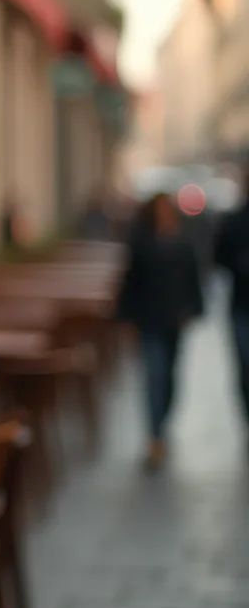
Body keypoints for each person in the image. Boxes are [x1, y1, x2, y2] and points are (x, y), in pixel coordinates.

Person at [116, 192, 204, 469]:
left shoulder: (182, 243)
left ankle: (162, 422)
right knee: (155, 374)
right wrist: (127, 318)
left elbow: (193, 280)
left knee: (169, 376)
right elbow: (130, 283)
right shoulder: (141, 245)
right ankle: (155, 434)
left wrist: (194, 310)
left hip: (174, 320)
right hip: (149, 320)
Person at [213, 168, 249, 435]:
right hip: (241, 305)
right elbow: (219, 256)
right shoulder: (234, 221)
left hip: (240, 305)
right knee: (245, 367)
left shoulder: (232, 220)